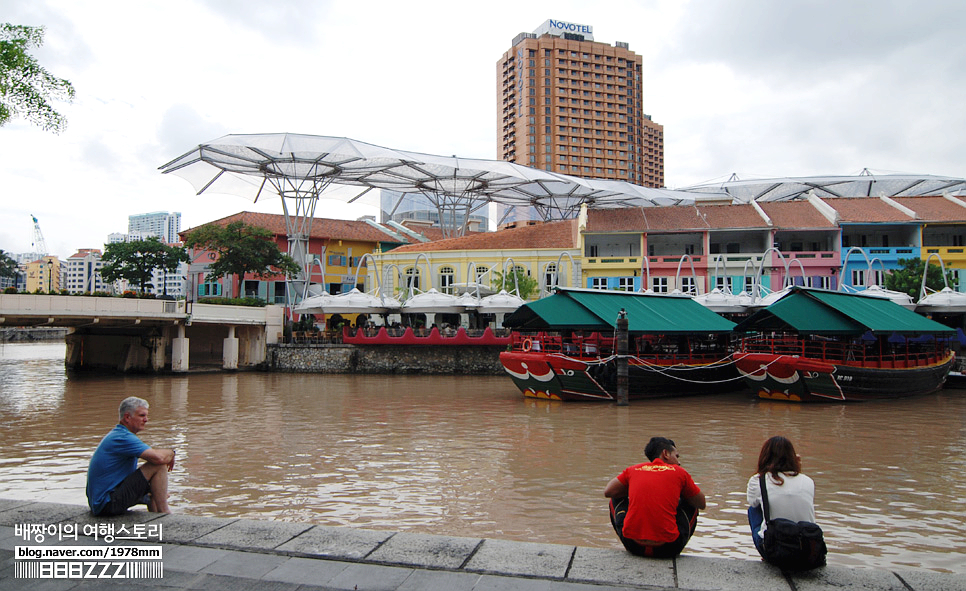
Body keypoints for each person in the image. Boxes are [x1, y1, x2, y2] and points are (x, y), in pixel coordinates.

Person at [604, 437, 706, 558]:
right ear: (665, 454)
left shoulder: (633, 469)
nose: (678, 462)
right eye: (676, 456)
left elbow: (608, 491)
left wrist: (634, 490)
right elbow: (701, 503)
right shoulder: (679, 472)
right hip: (668, 548)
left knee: (616, 496)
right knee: (692, 501)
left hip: (634, 546)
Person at [86, 397, 175, 516]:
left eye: (146, 416)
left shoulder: (119, 435)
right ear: (127, 417)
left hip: (102, 502)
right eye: (142, 415)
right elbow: (158, 458)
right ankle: (165, 512)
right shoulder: (122, 437)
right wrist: (172, 453)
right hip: (106, 504)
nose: (146, 420)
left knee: (155, 489)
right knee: (158, 466)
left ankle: (157, 517)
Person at [746, 436, 816, 557]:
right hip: (806, 550)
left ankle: (766, 548)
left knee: (754, 509)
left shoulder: (758, 480)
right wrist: (798, 469)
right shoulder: (808, 481)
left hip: (776, 551)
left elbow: (752, 502)